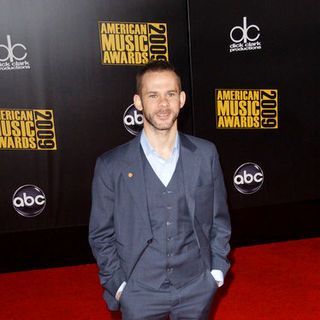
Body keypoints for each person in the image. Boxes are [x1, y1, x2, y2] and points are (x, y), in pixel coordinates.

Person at [89, 60, 231, 320]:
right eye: (153, 95)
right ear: (138, 101)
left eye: (170, 94)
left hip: (195, 288)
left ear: (182, 99)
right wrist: (120, 287)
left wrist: (216, 272)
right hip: (139, 292)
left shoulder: (205, 154)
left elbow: (218, 219)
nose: (163, 104)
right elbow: (100, 235)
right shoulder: (111, 165)